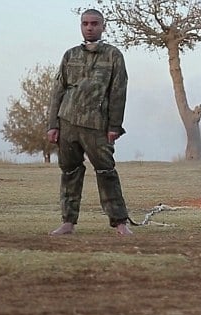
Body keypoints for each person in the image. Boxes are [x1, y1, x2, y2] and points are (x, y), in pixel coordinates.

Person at [47, 9, 133, 236]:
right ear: (81, 26)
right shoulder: (70, 55)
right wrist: (52, 125)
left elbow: (118, 92)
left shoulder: (113, 56)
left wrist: (115, 126)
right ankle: (68, 222)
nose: (89, 27)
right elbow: (58, 91)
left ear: (103, 26)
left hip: (97, 125)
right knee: (70, 171)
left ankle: (120, 222)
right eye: (85, 23)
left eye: (94, 23)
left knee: (106, 171)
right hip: (68, 123)